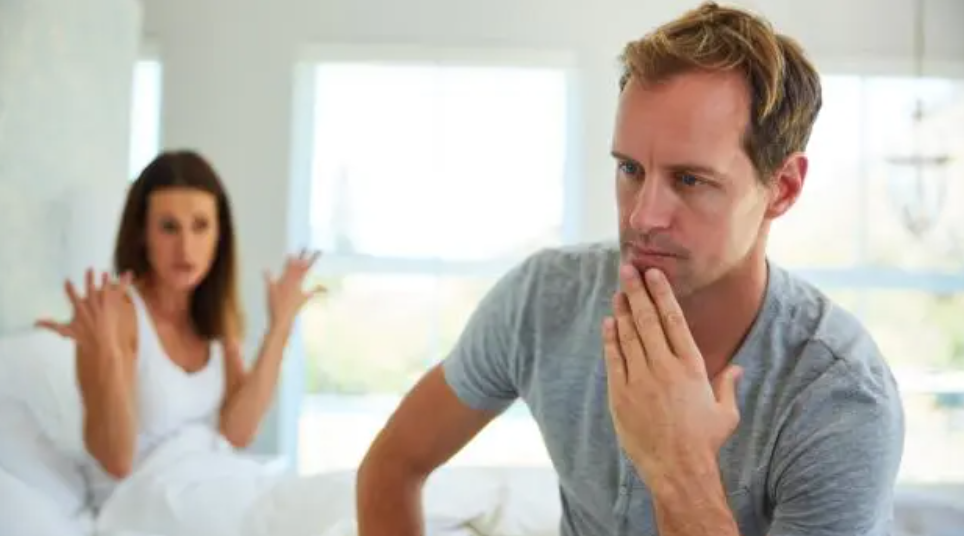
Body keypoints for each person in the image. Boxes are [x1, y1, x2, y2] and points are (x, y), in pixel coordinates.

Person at [356, 3, 905, 536]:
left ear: (782, 188)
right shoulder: (543, 301)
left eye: (690, 180)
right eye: (630, 169)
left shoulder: (840, 398)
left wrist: (679, 465)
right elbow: (393, 465)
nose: (642, 216)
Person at [35, 149, 324, 510]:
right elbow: (117, 461)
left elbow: (238, 433)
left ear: (219, 235)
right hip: (142, 502)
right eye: (169, 227)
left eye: (200, 226)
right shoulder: (119, 313)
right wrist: (105, 350)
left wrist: (279, 327)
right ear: (142, 233)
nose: (186, 247)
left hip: (208, 483)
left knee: (327, 503)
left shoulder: (213, 314)